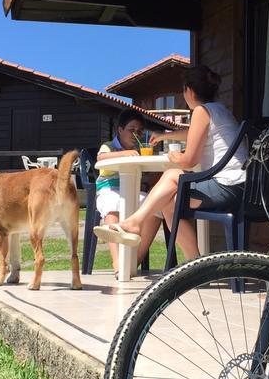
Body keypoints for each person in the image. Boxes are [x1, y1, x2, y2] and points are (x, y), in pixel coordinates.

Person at [94, 65, 247, 261]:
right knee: (169, 204)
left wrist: (176, 158)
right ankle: (195, 264)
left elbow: (190, 160)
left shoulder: (201, 111)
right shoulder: (220, 111)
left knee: (173, 174)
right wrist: (164, 135)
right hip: (240, 187)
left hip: (228, 187)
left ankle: (135, 222)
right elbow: (193, 133)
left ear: (189, 91)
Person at [94, 110, 163, 274]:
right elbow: (101, 158)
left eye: (139, 131)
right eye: (132, 130)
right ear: (120, 130)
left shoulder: (140, 149)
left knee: (156, 209)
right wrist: (124, 153)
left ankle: (133, 263)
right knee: (113, 206)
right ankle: (118, 263)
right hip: (109, 189)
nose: (136, 135)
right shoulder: (109, 146)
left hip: (135, 190)